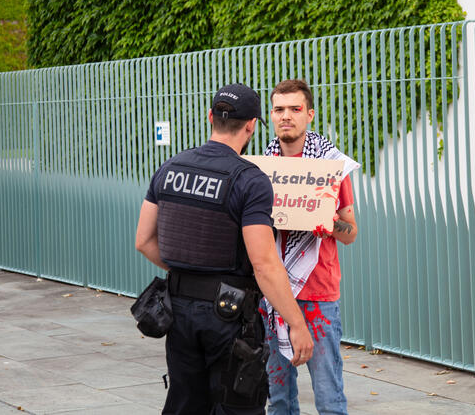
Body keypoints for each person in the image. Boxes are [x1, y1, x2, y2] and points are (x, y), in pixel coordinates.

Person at [135, 83, 314, 415]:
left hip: (178, 312)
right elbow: (264, 264)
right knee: (236, 406)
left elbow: (143, 241)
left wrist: (190, 277)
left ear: (210, 117)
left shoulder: (170, 168)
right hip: (228, 317)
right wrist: (297, 323)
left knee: (186, 404)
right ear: (251, 125)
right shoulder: (249, 180)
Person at [262, 79, 359, 415]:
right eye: (279, 109)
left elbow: (351, 233)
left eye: (295, 109)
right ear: (271, 116)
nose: (286, 116)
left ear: (310, 114)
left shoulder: (331, 168)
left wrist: (327, 222)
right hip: (272, 294)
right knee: (278, 400)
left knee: (330, 399)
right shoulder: (261, 170)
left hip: (318, 296)